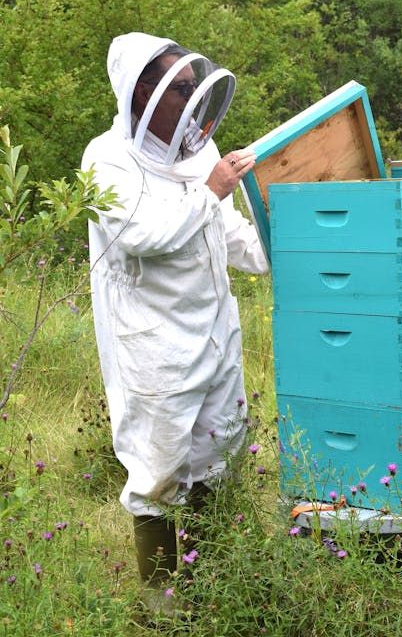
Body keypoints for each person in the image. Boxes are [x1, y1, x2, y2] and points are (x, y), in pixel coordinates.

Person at [82, 32, 268, 612]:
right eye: (180, 88)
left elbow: (227, 229)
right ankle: (161, 609)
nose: (191, 99)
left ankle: (213, 588)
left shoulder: (198, 148)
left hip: (215, 330)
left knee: (221, 454)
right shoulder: (105, 158)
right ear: (142, 91)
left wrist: (277, 253)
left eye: (193, 86)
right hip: (153, 343)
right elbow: (141, 236)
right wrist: (211, 193)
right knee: (158, 472)